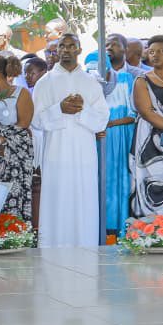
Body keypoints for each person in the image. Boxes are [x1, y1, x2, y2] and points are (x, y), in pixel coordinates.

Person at [31, 33, 110, 248]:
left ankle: (85, 251)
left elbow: (102, 120)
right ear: (56, 50)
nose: (66, 50)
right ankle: (52, 251)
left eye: (71, 46)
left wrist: (82, 109)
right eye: (62, 46)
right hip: (55, 155)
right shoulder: (44, 83)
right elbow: (35, 120)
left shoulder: (91, 82)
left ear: (79, 49)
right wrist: (59, 109)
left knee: (84, 202)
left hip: (84, 156)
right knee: (57, 201)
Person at [0, 55, 34, 221]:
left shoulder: (21, 93)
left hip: (17, 153)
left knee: (14, 192)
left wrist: (1, 137)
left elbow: (24, 124)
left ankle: (14, 229)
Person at [102, 35, 138, 236]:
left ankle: (121, 230)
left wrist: (111, 123)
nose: (109, 47)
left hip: (122, 138)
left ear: (126, 49)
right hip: (100, 139)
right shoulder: (93, 78)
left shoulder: (132, 77)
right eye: (106, 44)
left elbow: (134, 114)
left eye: (114, 44)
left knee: (122, 182)